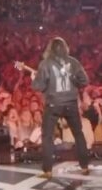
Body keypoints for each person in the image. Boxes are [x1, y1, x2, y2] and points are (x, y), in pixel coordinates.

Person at [32, 36, 90, 179]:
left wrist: (34, 78)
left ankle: (48, 170)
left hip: (53, 103)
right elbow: (84, 81)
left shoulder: (45, 64)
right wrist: (73, 81)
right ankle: (84, 166)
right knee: (78, 133)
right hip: (70, 102)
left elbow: (38, 86)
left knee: (47, 136)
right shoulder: (73, 62)